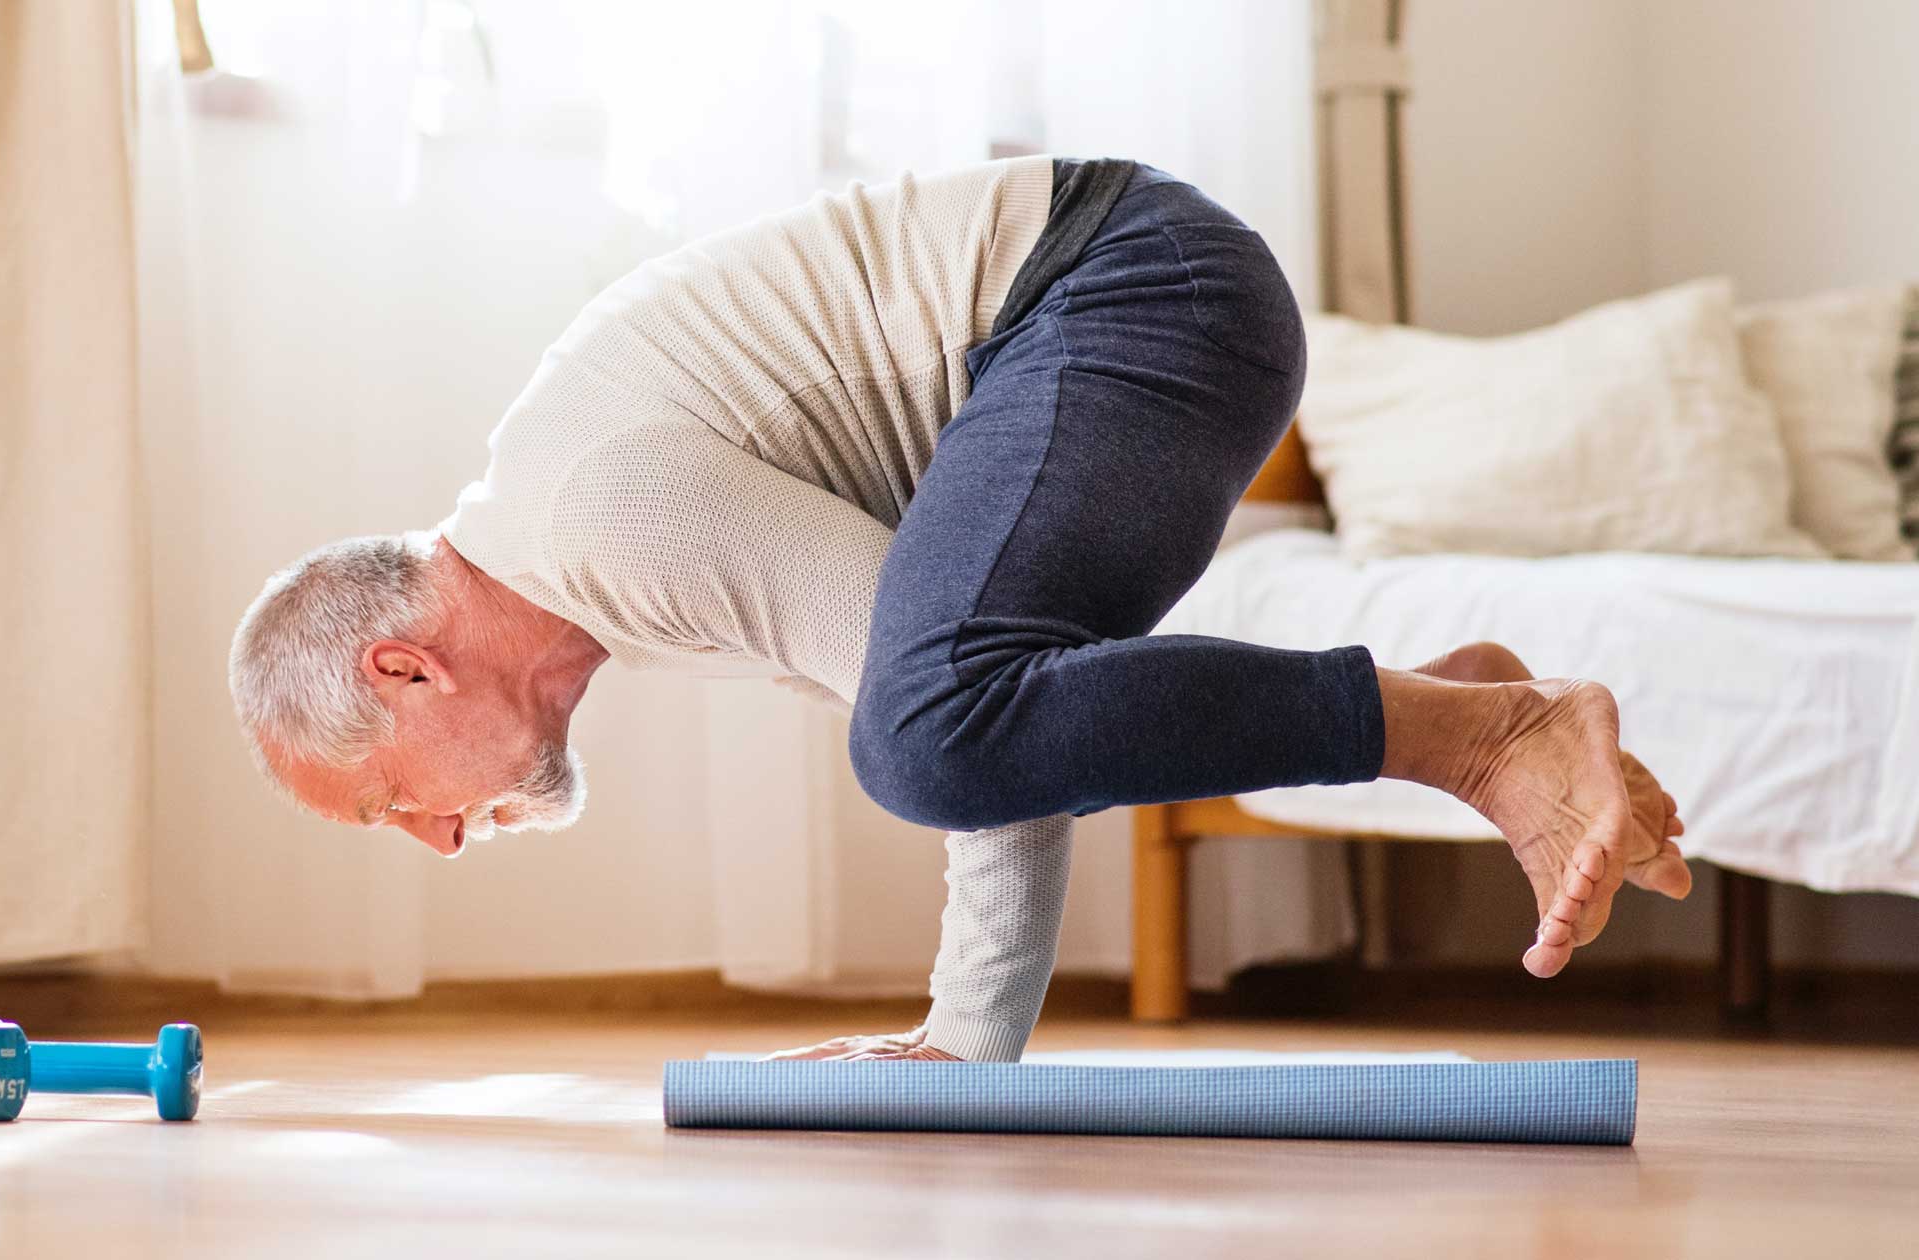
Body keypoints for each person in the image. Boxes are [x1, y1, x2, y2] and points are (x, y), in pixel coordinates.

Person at [225, 156, 1691, 1063]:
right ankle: (1459, 698)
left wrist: (963, 1034)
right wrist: (965, 1041)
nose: (431, 837)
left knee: (918, 731)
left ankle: (1491, 730)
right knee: (950, 719)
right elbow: (993, 724)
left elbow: (936, 730)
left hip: (1131, 289)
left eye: (385, 803)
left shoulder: (594, 518)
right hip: (1124, 313)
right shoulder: (600, 584)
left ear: (404, 668)